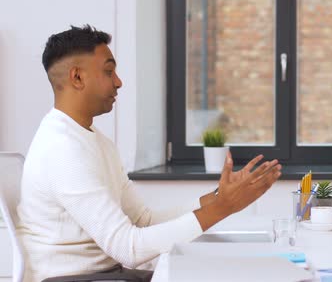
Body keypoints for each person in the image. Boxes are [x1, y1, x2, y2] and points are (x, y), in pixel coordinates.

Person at [16, 25, 282, 282]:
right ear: (77, 77)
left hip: (108, 276)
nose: (119, 82)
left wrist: (217, 198)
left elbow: (143, 220)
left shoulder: (95, 141)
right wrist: (223, 207)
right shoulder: (62, 149)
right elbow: (128, 249)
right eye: (109, 72)